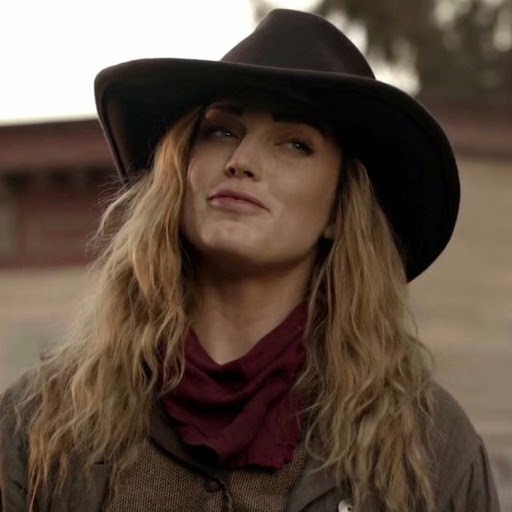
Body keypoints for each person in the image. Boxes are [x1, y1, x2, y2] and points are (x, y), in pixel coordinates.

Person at [0, 8, 500, 512]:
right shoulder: (41, 422)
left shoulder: (428, 447)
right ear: (180, 171)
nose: (241, 161)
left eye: (296, 144)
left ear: (337, 209)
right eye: (221, 132)